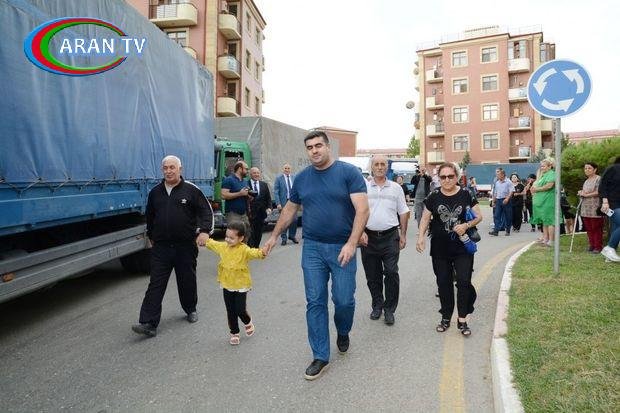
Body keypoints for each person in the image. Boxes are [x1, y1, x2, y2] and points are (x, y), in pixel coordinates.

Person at [263, 131, 369, 381]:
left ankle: (343, 331)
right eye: (309, 147)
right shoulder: (302, 179)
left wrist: (352, 242)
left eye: (318, 145)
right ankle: (320, 355)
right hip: (312, 248)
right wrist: (274, 236)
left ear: (328, 147)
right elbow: (289, 209)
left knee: (343, 300)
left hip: (342, 247)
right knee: (315, 301)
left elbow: (363, 210)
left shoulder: (348, 173)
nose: (314, 150)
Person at [132, 155, 213, 337]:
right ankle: (148, 323)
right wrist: (152, 236)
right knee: (156, 283)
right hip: (161, 248)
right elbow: (150, 216)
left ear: (180, 169)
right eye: (165, 168)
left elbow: (206, 211)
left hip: (185, 246)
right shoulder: (155, 192)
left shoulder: (191, 190)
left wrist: (204, 231)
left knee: (186, 280)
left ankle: (190, 309)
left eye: (172, 167)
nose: (168, 171)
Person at [416, 163, 482, 336]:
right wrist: (420, 237)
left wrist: (466, 225)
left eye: (450, 176)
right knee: (443, 283)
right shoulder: (434, 195)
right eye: (443, 177)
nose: (446, 180)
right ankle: (446, 317)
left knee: (463, 282)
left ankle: (462, 319)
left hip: (462, 248)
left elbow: (479, 216)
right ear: (439, 178)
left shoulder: (466, 193)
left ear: (456, 177)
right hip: (440, 249)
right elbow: (425, 218)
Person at [359, 156, 410, 325]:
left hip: (390, 237)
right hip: (368, 238)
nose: (380, 167)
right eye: (376, 164)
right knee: (372, 275)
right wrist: (360, 232)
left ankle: (389, 309)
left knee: (391, 272)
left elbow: (403, 212)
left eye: (383, 164)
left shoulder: (396, 188)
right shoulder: (363, 188)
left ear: (387, 167)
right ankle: (377, 305)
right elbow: (357, 211)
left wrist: (403, 234)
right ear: (372, 167)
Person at [205, 222, 267, 345]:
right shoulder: (223, 247)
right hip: (227, 283)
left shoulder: (244, 250)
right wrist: (205, 240)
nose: (227, 240)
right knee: (230, 310)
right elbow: (213, 244)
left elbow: (254, 252)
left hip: (240, 285)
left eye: (231, 238)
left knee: (240, 309)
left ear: (241, 238)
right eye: (226, 236)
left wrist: (262, 252)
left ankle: (247, 322)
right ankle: (234, 332)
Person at [528, 159, 558, 246]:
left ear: (550, 166)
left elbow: (549, 186)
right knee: (544, 221)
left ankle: (551, 240)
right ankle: (545, 238)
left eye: (544, 166)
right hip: (542, 202)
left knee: (550, 221)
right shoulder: (543, 175)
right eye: (541, 166)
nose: (542, 168)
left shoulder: (552, 174)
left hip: (548, 201)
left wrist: (536, 189)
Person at [221, 161, 251, 241]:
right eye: (246, 169)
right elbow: (223, 195)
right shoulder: (228, 180)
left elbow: (245, 194)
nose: (247, 171)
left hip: (243, 213)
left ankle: (243, 249)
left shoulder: (244, 181)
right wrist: (240, 193)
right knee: (233, 235)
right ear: (240, 169)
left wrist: (249, 196)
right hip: (233, 213)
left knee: (246, 234)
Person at [577, 162, 603, 253]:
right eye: (585, 168)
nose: (587, 170)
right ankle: (592, 245)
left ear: (595, 170)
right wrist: (581, 192)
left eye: (589, 168)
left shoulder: (598, 179)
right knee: (588, 228)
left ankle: (598, 247)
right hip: (585, 208)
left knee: (596, 228)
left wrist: (586, 195)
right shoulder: (586, 180)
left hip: (595, 207)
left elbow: (598, 192)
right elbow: (585, 192)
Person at [599, 156, 620, 262]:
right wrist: (605, 201)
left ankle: (610, 255)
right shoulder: (613, 168)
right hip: (610, 204)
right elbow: (602, 185)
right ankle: (610, 248)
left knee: (616, 227)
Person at [274, 163, 299, 245]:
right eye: (285, 168)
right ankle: (284, 238)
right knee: (284, 220)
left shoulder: (294, 177)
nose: (287, 170)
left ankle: (292, 236)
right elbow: (276, 191)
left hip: (293, 202)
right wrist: (278, 203)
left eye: (288, 168)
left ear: (290, 169)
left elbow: (297, 189)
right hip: (283, 202)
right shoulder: (279, 178)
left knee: (294, 220)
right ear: (283, 169)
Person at [247, 167, 272, 248]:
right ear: (250, 174)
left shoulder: (264, 185)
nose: (256, 174)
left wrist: (269, 208)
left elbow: (268, 198)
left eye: (258, 173)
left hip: (261, 214)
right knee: (250, 232)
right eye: (254, 173)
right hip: (249, 213)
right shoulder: (246, 184)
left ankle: (256, 247)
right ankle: (251, 248)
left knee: (258, 232)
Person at [489, 168, 513, 236]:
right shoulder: (497, 182)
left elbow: (511, 191)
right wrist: (493, 201)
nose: (497, 176)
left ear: (503, 175)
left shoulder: (508, 182)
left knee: (508, 216)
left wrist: (507, 199)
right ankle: (496, 231)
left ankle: (507, 230)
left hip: (506, 200)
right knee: (496, 216)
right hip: (498, 201)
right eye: (497, 175)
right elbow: (495, 193)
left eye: (498, 175)